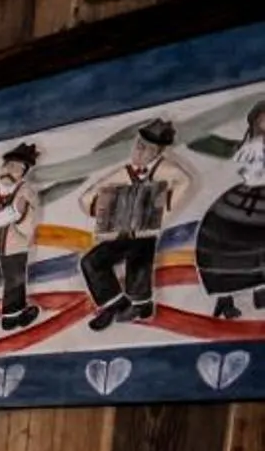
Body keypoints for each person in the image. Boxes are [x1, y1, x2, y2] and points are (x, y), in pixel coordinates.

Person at [79, 118, 194, 330]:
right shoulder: (123, 173)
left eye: (146, 148)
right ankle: (115, 303)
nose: (139, 151)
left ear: (158, 152)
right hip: (121, 230)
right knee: (91, 261)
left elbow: (185, 182)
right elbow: (87, 197)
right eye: (138, 145)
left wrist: (164, 207)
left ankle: (141, 304)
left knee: (140, 260)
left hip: (145, 229)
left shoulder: (167, 169)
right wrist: (103, 209)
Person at [194, 100, 265, 321]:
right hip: (242, 199)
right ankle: (225, 299)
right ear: (255, 121)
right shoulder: (246, 147)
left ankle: (261, 292)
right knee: (219, 243)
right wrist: (191, 134)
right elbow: (213, 146)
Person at [0, 142, 42, 330]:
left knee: (15, 278)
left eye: (16, 168)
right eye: (8, 166)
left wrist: (17, 216)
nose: (9, 171)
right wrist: (11, 213)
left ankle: (12, 315)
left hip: (14, 244)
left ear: (23, 173)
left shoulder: (26, 192)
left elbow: (28, 222)